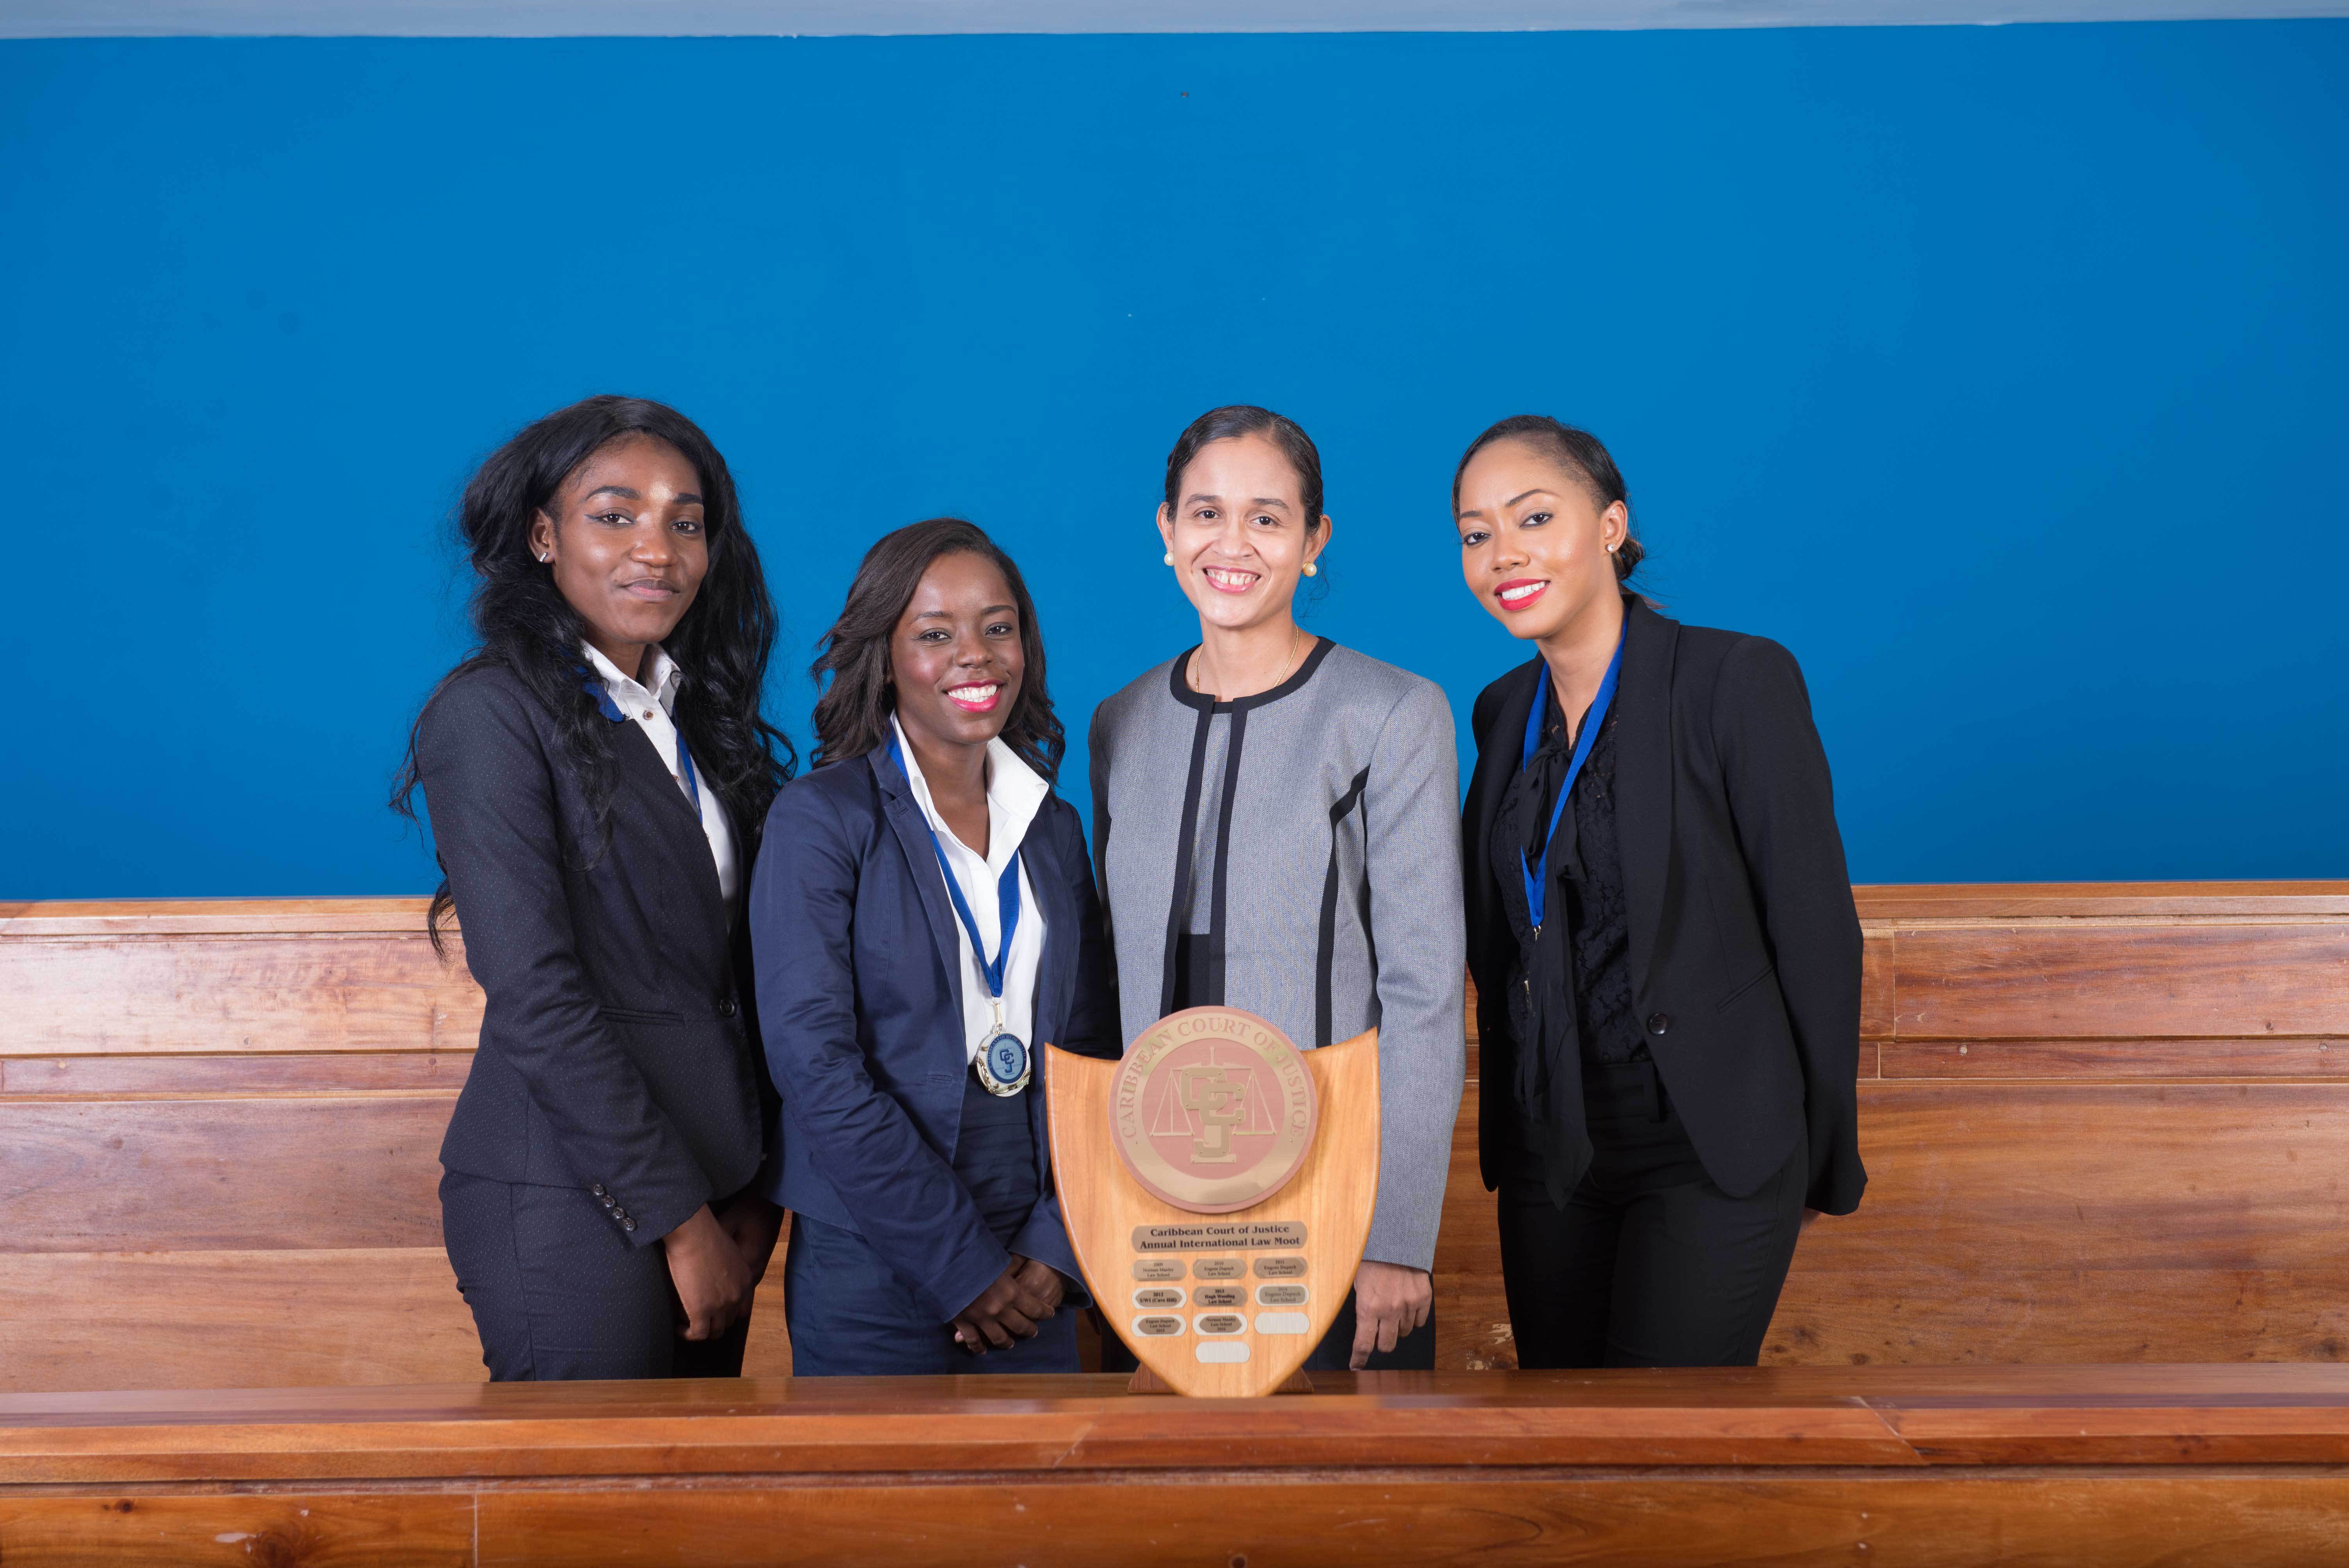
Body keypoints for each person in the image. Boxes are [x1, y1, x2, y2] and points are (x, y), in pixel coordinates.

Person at [394, 395, 793, 1380]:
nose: (655, 548)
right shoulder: (490, 715)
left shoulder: (692, 723)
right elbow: (536, 994)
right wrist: (675, 1219)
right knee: (590, 1521)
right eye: (614, 514)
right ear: (542, 535)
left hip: (717, 1189)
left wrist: (753, 1193)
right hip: (571, 1196)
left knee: (679, 1518)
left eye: (684, 521)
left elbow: (739, 978)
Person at [1454, 414, 1865, 1369]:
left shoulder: (1735, 680)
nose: (1501, 554)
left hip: (1709, 1143)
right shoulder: (1499, 711)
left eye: (1533, 518)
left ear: (1609, 525)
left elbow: (1813, 928)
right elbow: (1502, 936)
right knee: (1561, 1448)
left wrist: (1821, 1151)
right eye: (1476, 534)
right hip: (1552, 1154)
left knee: (1661, 1452)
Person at [1090, 405, 1466, 1372]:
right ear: (1165, 531)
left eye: (1266, 517)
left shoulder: (1392, 712)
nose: (1233, 543)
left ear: (1312, 543)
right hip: (1152, 1201)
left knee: (1340, 1505)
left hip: (1329, 1197)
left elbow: (1425, 991)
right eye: (1205, 512)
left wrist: (1396, 1231)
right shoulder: (1119, 722)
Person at [751, 519, 1119, 1375]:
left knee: (1042, 1504)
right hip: (874, 1250)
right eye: (934, 634)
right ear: (884, 654)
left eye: (998, 626)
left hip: (1035, 1259)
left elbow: (1094, 1054)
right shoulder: (820, 819)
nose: (975, 654)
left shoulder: (1054, 829)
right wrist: (961, 1266)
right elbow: (814, 1064)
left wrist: (1057, 1248)